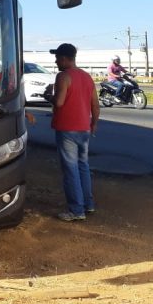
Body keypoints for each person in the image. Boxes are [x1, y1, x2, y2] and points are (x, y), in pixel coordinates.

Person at [48, 43, 100, 222]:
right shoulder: (87, 77)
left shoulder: (63, 76)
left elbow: (59, 102)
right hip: (84, 128)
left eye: (57, 58)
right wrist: (94, 123)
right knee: (83, 167)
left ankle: (76, 210)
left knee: (70, 169)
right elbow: (95, 104)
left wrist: (49, 96)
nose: (55, 61)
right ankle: (88, 204)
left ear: (64, 58)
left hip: (67, 128)